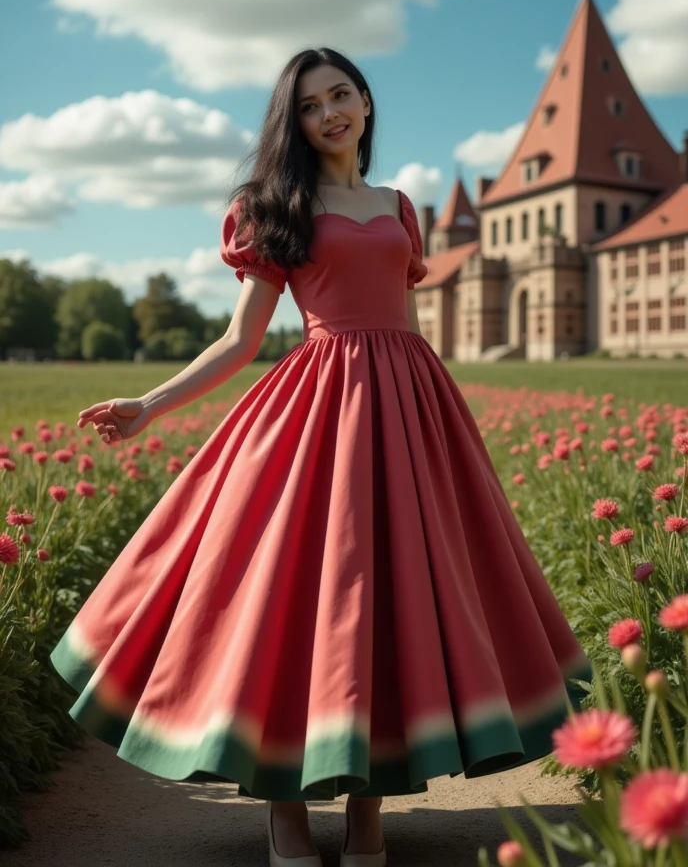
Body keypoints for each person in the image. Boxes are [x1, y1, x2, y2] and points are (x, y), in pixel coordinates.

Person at [50, 47, 593, 867]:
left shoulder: (402, 208)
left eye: (342, 94)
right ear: (294, 121)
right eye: (311, 104)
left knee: (395, 602)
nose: (330, 112)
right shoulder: (273, 204)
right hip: (317, 402)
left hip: (412, 406)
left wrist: (432, 410)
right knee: (297, 599)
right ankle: (288, 813)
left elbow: (401, 314)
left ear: (366, 104)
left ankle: (369, 817)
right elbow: (241, 340)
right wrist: (150, 404)